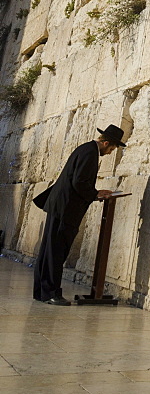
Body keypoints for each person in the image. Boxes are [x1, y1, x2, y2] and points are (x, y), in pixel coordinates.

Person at [32, 124, 126, 305]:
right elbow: (80, 182)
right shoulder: (90, 153)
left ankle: (41, 291)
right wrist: (95, 194)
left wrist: (95, 192)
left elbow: (78, 180)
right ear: (106, 142)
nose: (111, 152)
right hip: (66, 208)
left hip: (60, 206)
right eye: (112, 148)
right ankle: (51, 293)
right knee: (56, 252)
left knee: (49, 250)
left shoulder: (86, 149)